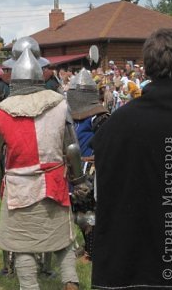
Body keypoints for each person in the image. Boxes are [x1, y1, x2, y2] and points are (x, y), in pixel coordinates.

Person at [0, 48, 89, 290]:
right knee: (62, 239)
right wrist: (79, 179)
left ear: (16, 80)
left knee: (23, 244)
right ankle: (71, 283)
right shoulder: (59, 104)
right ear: (40, 78)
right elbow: (72, 148)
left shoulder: (3, 111)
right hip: (54, 182)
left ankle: (30, 286)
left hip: (20, 187)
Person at [91, 28, 172, 290]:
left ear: (148, 68)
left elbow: (100, 195)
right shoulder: (115, 124)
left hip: (125, 267)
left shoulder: (114, 125)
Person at [65, 69, 110, 263]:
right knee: (78, 212)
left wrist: (95, 161)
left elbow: (107, 144)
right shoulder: (73, 117)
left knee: (89, 213)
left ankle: (92, 253)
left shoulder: (99, 116)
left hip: (91, 171)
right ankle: (88, 247)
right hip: (76, 170)